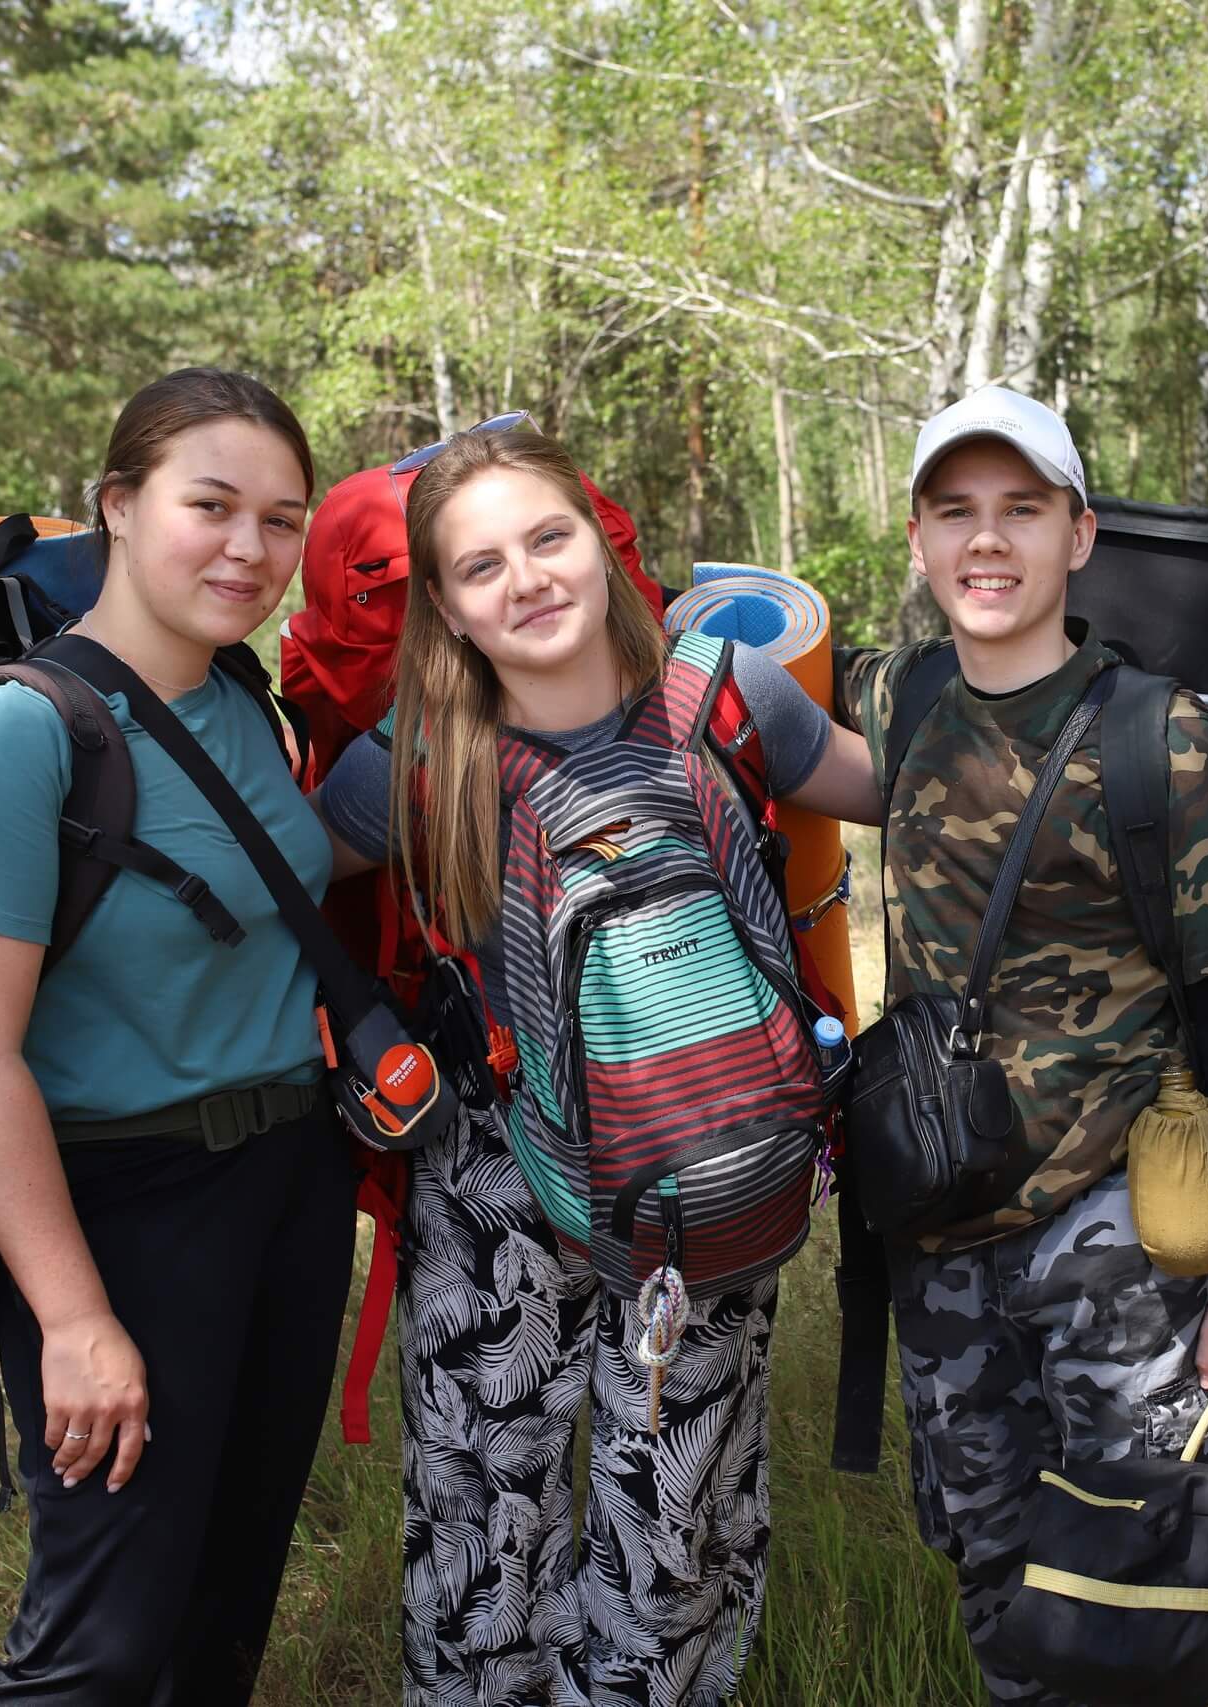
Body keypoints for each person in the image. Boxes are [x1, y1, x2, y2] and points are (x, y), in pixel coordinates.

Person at [315, 422, 879, 1706]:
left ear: (602, 543)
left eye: (548, 537)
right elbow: (277, 880)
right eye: (481, 565)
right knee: (483, 1504)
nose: (525, 579)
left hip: (707, 1158)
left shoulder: (729, 691)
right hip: (496, 1173)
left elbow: (901, 791)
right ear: (444, 606)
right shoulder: (417, 754)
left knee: (670, 1516)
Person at [833, 385, 1208, 1705]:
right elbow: (771, 711)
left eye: (1022, 511)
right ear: (919, 540)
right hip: (941, 1234)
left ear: (1079, 535)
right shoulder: (905, 697)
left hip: (1117, 1244)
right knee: (999, 1582)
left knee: (1154, 1583)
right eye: (956, 513)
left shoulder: (1160, 737)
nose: (987, 541)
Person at [0, 367, 350, 1703]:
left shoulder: (244, 702)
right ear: (117, 504)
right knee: (100, 1642)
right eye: (210, 505)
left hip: (290, 1184)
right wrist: (75, 1316)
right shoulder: (21, 733)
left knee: (223, 1608)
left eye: (281, 519)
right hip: (125, 1209)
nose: (250, 548)